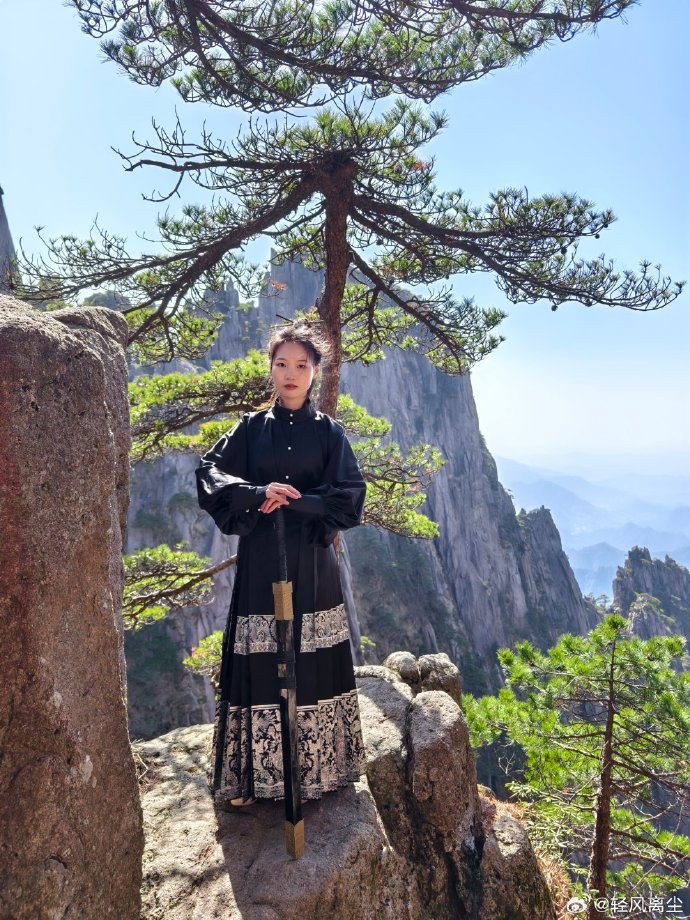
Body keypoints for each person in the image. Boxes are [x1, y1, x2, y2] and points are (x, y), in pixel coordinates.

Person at [195, 320, 367, 807]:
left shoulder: (330, 433)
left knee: (312, 661)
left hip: (313, 563)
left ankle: (320, 772)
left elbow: (350, 497)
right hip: (263, 559)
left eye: (301, 365)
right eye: (281, 364)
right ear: (270, 368)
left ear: (316, 371)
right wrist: (256, 492)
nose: (290, 374)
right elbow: (209, 474)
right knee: (261, 661)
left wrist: (295, 502)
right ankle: (251, 778)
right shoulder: (250, 430)